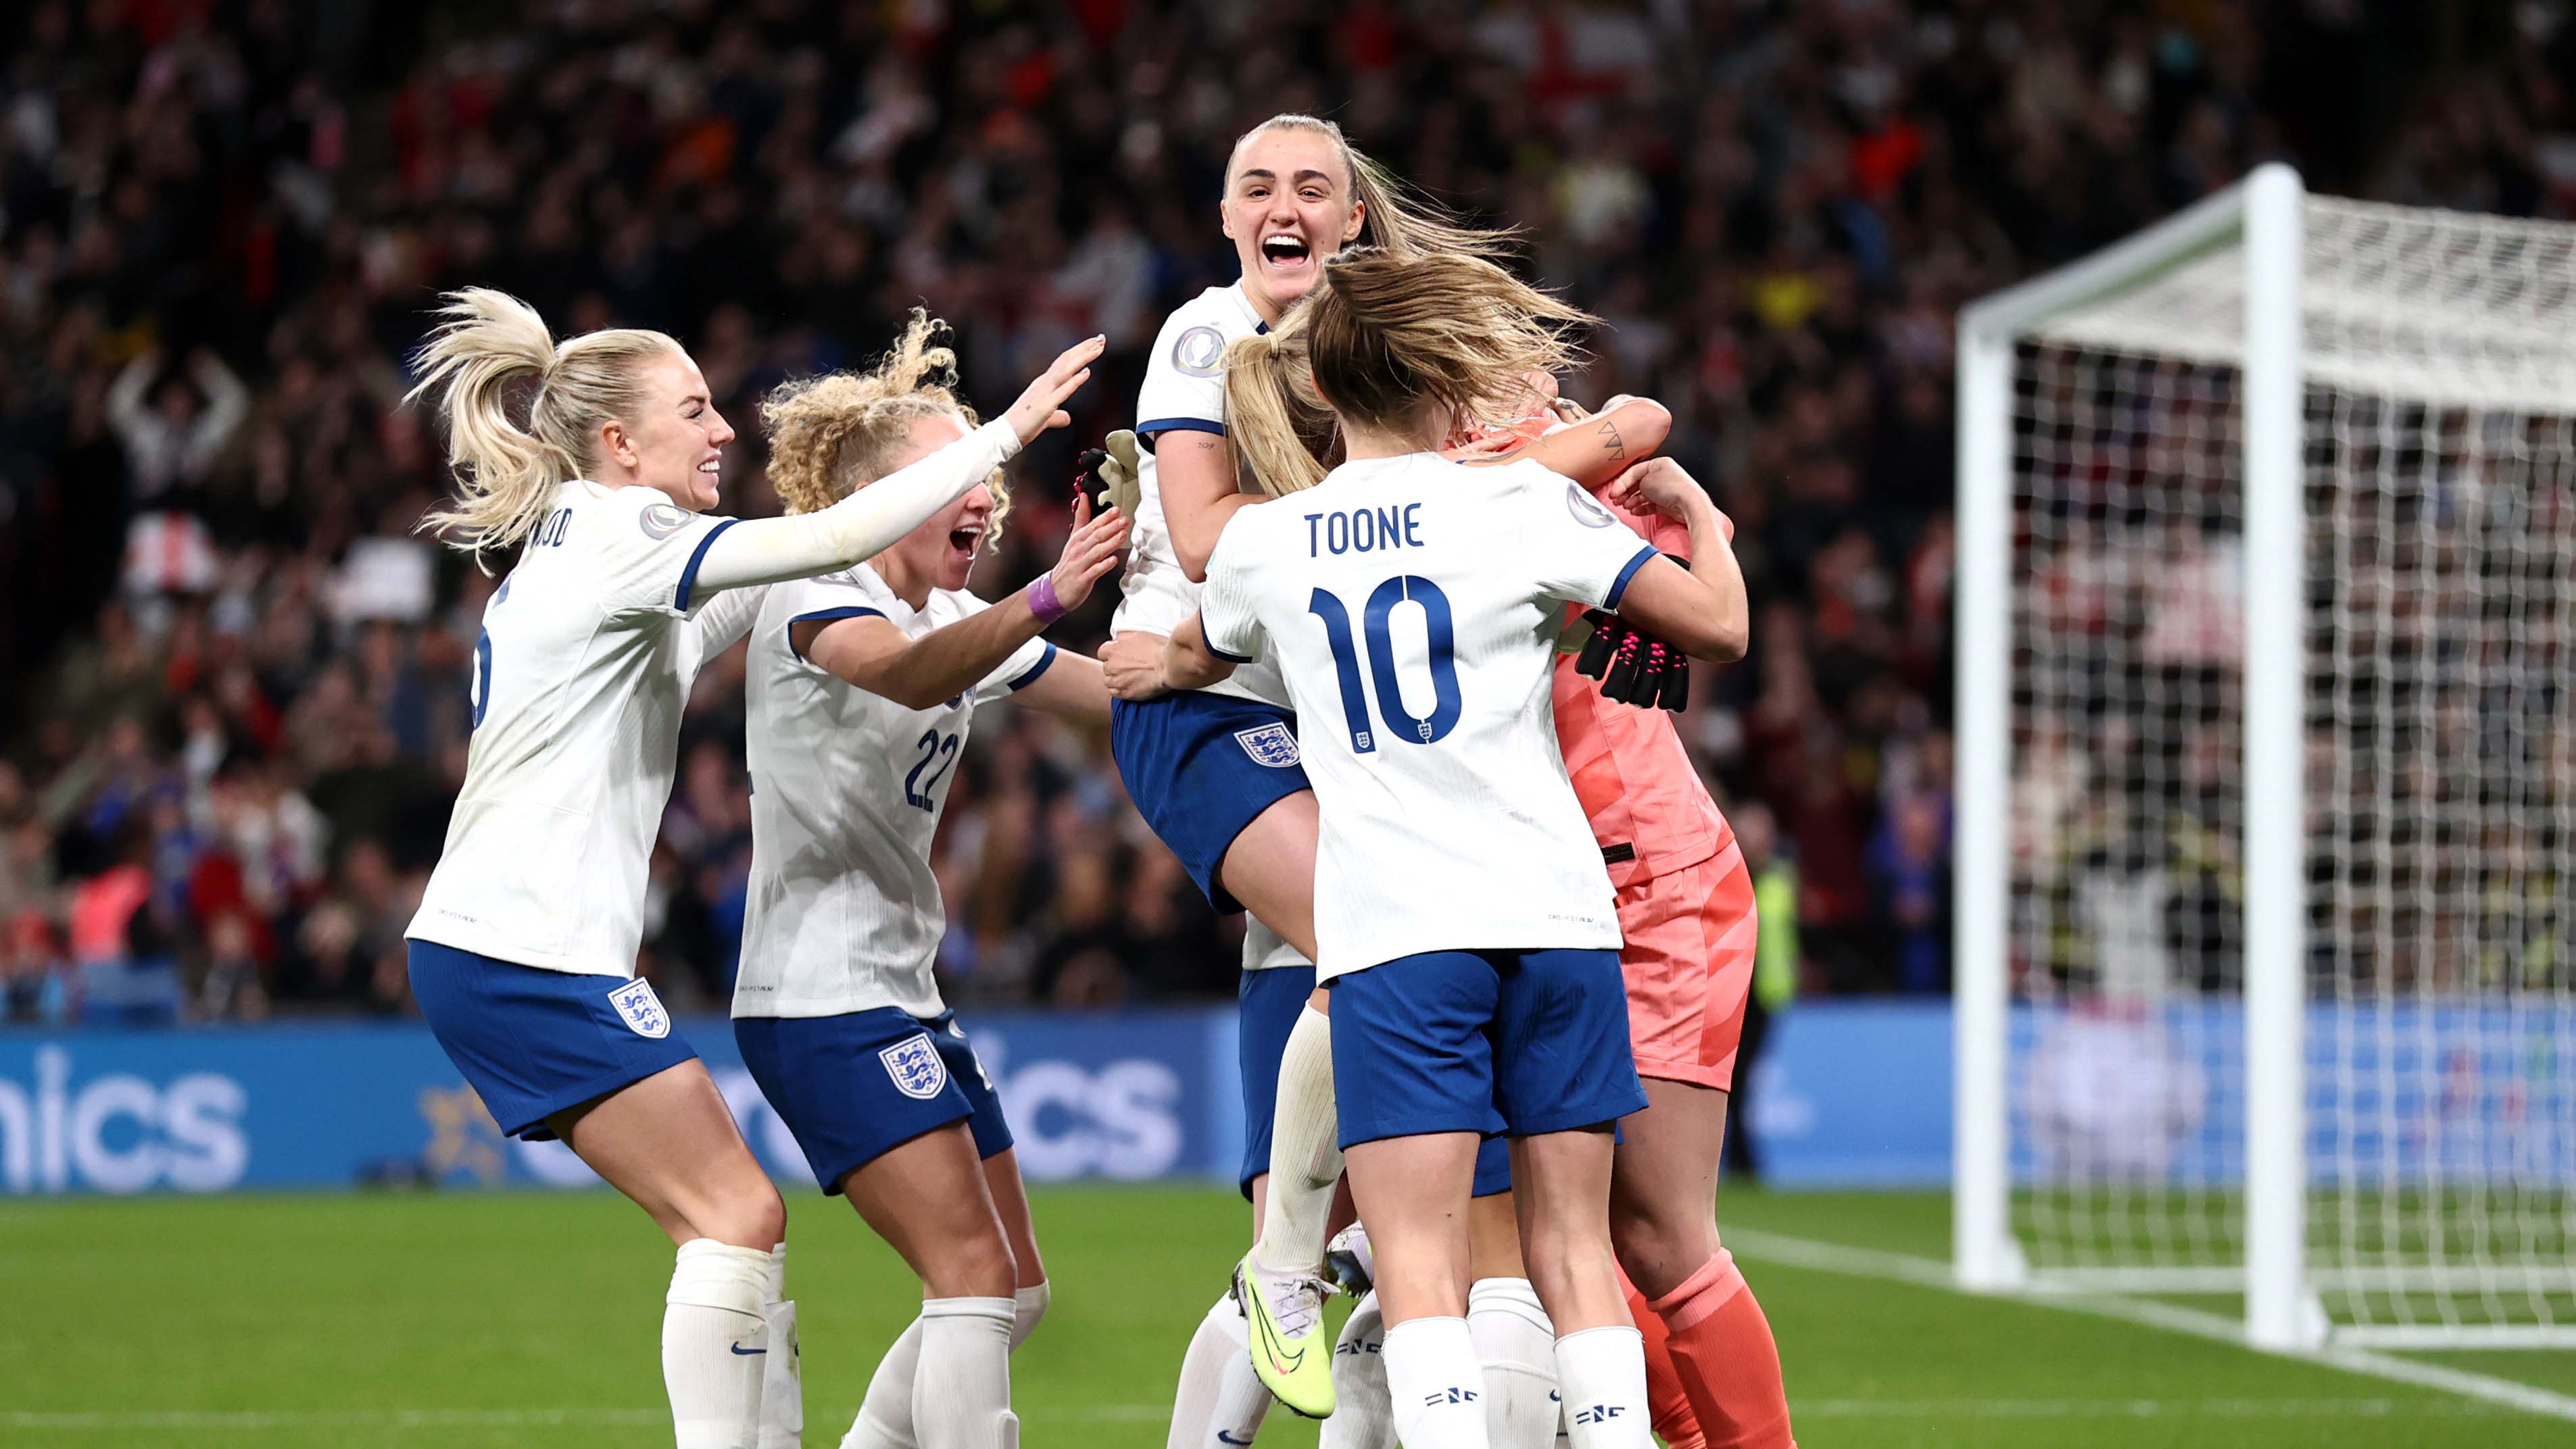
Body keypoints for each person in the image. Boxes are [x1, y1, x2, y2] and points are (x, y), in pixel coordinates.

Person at [398, 286, 1100, 1449]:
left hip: (505, 946)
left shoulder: (595, 552)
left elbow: (789, 580)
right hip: (522, 950)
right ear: (620, 444)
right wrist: (1003, 433)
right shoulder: (622, 535)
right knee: (732, 1215)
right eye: (696, 410)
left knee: (744, 1220)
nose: (724, 429)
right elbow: (819, 548)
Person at [1134, 245, 1750, 1449]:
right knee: (1573, 1254)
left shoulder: (1269, 541)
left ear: (1320, 394)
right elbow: (1714, 628)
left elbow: (1198, 651)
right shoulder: (1525, 502)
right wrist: (1707, 523)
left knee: (1417, 1260)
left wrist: (1158, 660)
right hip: (1561, 923)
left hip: (1399, 937)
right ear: (1450, 380)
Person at [1093, 112, 1505, 1434]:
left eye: (1311, 188)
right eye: (1256, 188)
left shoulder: (1380, 356)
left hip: (1334, 737)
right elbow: (1210, 542)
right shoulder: (1207, 335)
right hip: (1203, 704)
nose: (1284, 206)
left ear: (1354, 220)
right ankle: (1294, 1266)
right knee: (1379, 936)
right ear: (1229, 223)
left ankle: (1303, 1270)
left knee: (1332, 1189)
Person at [730, 314, 1126, 1449]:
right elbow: (903, 678)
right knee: (970, 1279)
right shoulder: (812, 589)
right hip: (817, 995)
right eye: (953, 471)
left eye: (984, 471)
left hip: (900, 995)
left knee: (1015, 1290)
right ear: (874, 500)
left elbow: (1115, 697)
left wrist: (1195, 615)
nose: (983, 492)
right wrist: (1047, 598)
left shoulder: (957, 614)